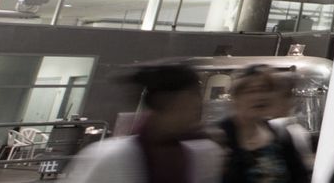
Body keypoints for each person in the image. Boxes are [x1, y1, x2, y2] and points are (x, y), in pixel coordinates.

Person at [64, 61, 222, 183]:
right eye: (194, 97)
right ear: (170, 102)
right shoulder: (112, 158)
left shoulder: (202, 153)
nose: (199, 107)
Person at [218, 65, 312, 183]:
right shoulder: (221, 136)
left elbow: (300, 176)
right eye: (251, 91)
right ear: (236, 96)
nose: (260, 97)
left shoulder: (280, 134)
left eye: (265, 89)